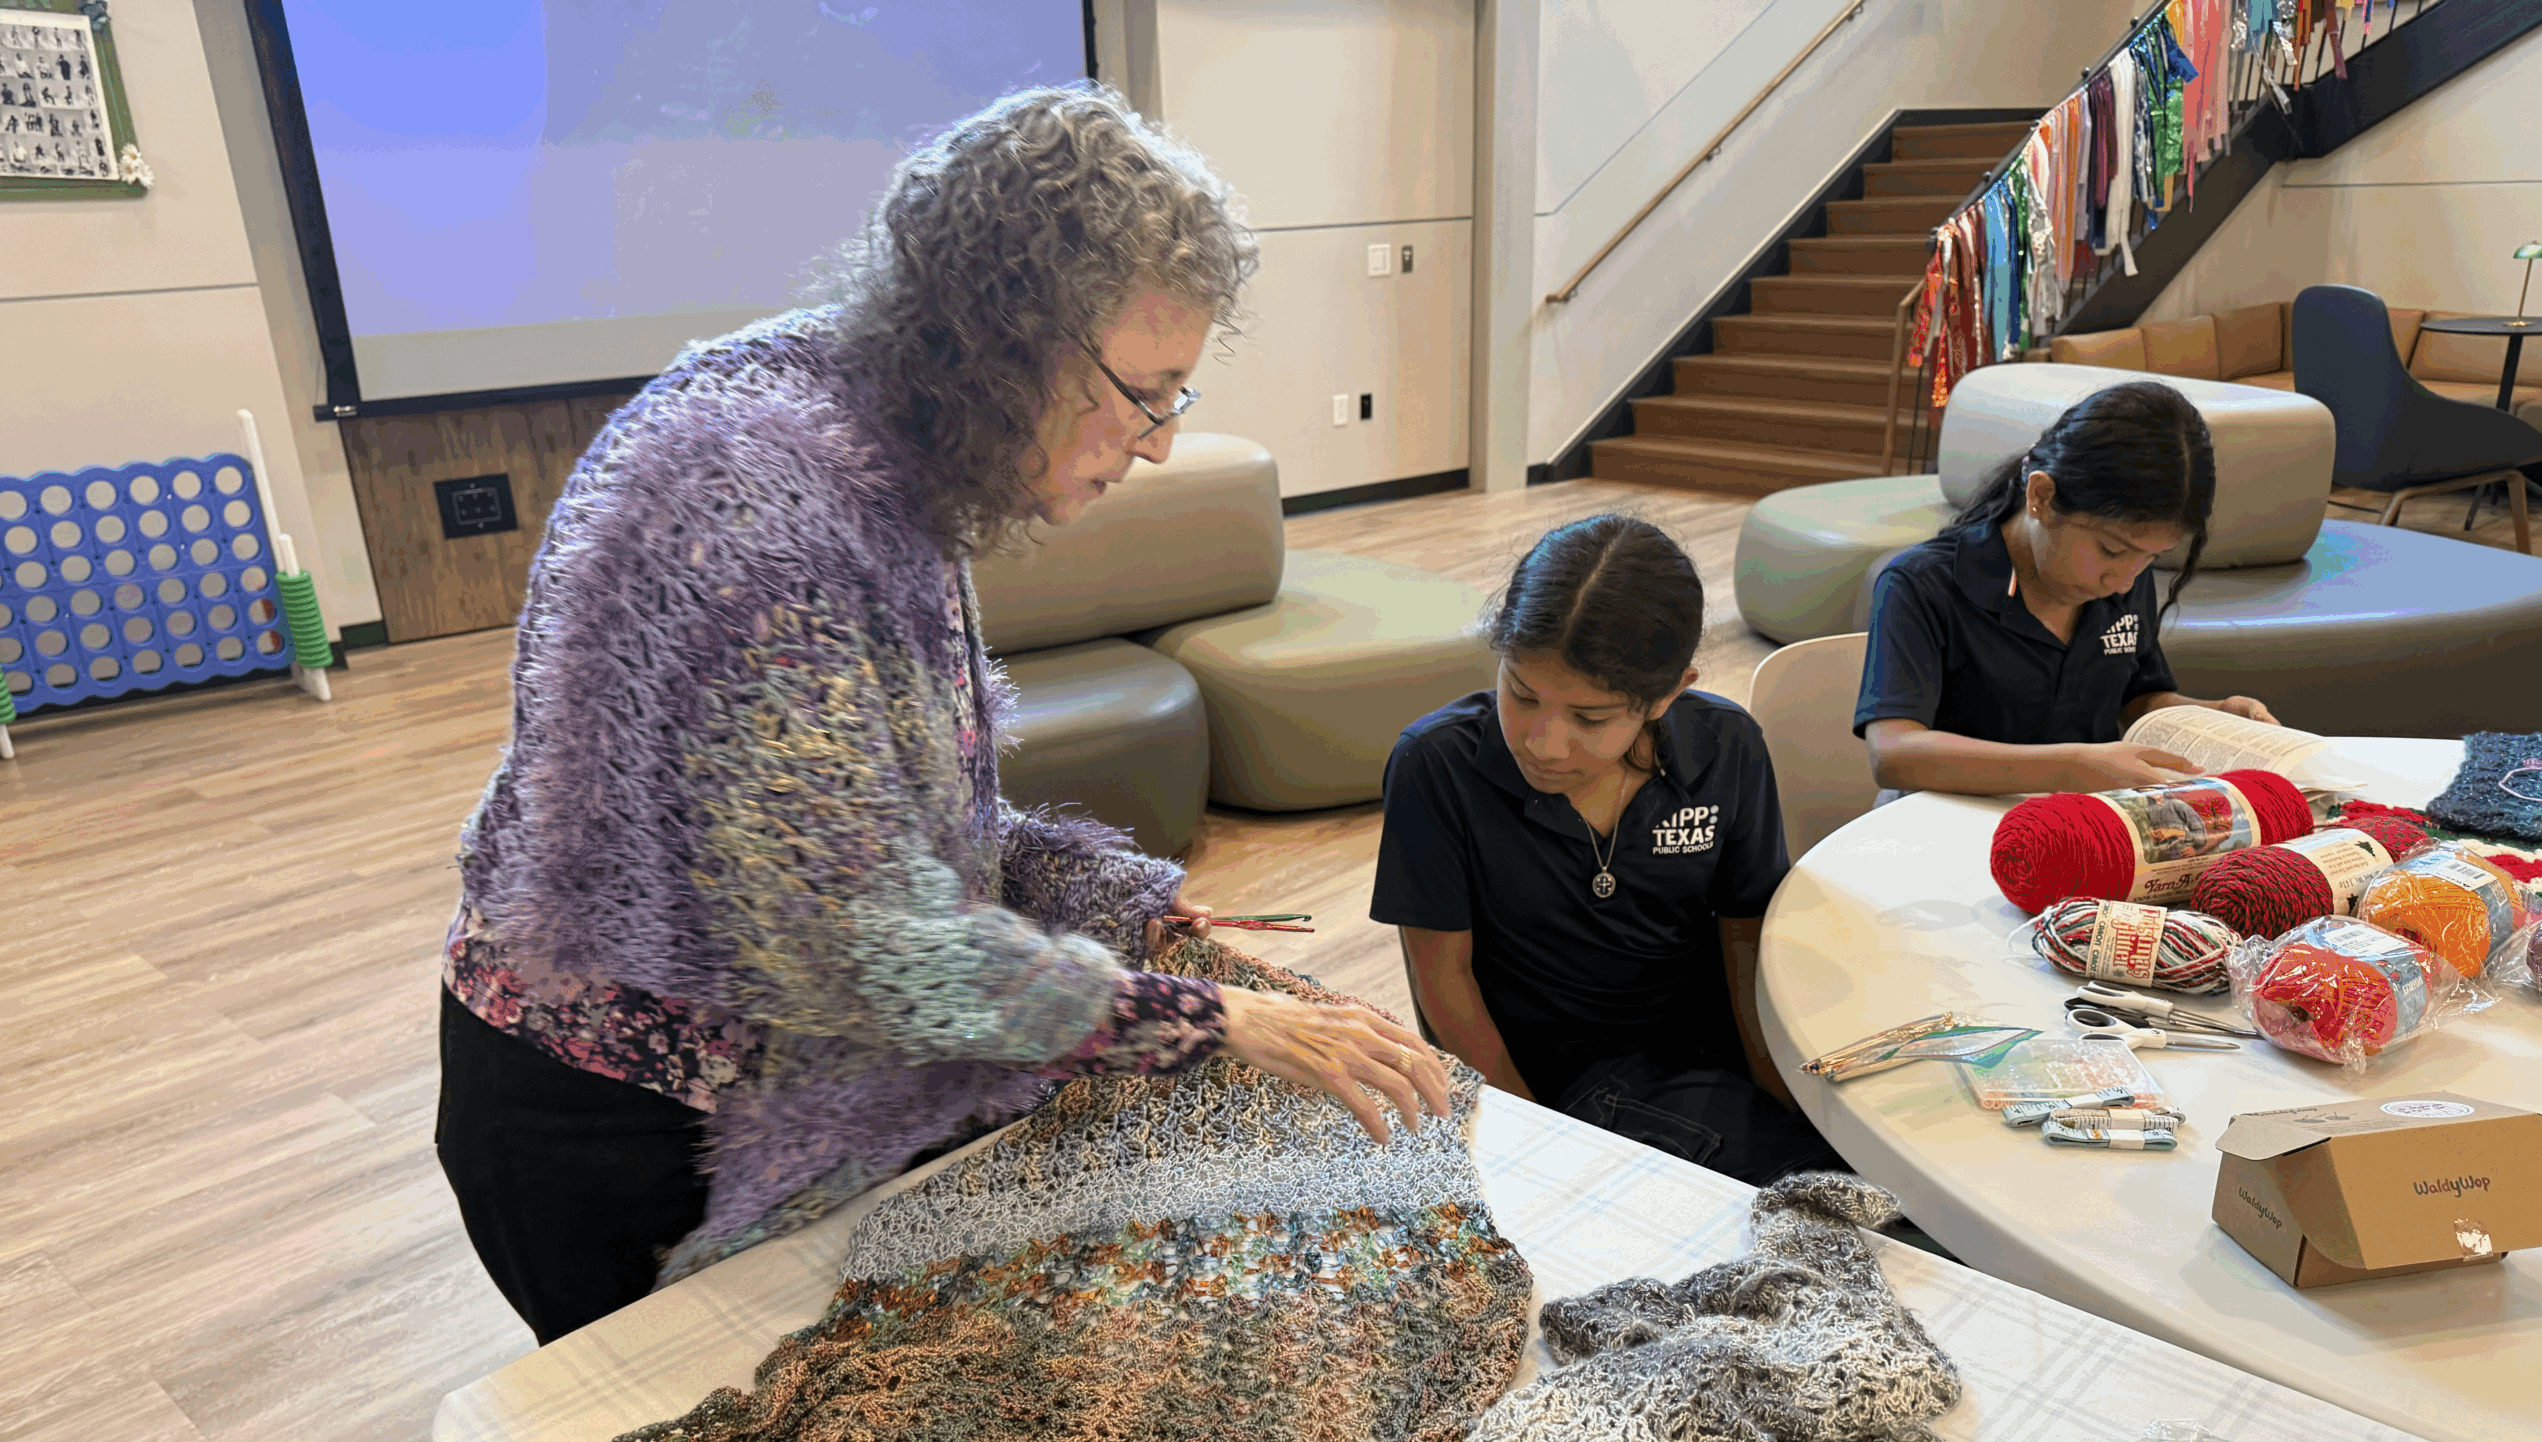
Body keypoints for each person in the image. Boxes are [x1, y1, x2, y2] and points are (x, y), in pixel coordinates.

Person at [435, 88, 1447, 1345]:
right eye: (1147, 393)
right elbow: (863, 937)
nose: (1157, 447)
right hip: (617, 1123)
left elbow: (888, 816)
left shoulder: (883, 445)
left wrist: (1108, 900)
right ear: (1005, 337)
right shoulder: (757, 513)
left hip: (720, 1076)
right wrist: (1205, 1017)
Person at [1371, 515, 1838, 1187]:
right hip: (1556, 1085)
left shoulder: (1727, 746)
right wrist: (1537, 1149)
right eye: (1521, 693)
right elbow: (1444, 982)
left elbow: (1746, 932)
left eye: (1590, 718)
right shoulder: (1436, 764)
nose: (1543, 743)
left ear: (1670, 692)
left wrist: (1783, 1091)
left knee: (1856, 1163)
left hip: (1706, 1057)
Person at [1856, 380, 2280, 798]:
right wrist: (2069, 768)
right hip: (1942, 823)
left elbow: (2136, 700)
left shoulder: (2122, 581)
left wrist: (2215, 716)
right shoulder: (1922, 583)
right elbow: (1894, 752)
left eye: (2151, 558)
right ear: (2041, 496)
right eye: (2111, 550)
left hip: (2082, 824)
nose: (2124, 581)